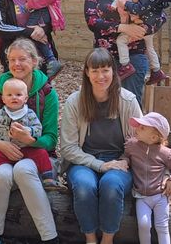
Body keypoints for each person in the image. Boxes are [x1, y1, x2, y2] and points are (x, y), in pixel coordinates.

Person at [59, 47, 142, 244]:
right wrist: (100, 165)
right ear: (87, 72)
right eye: (94, 70)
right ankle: (90, 239)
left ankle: (107, 239)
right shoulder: (75, 101)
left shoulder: (128, 101)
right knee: (84, 187)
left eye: (105, 70)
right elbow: (68, 148)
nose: (100, 76)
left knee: (111, 185)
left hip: (120, 161)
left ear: (113, 71)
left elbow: (140, 141)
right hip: (83, 160)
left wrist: (123, 160)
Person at [0, 38, 60, 244]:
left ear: (35, 62)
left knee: (23, 170)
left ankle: (50, 236)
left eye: (23, 59)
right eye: (12, 60)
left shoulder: (47, 93)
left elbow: (51, 140)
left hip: (38, 157)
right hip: (3, 155)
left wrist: (30, 139)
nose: (17, 64)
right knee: (1, 174)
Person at [84, 0, 159, 104]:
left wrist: (143, 29)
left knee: (130, 106)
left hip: (134, 56)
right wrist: (123, 27)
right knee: (103, 106)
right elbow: (92, 21)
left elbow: (159, 15)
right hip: (103, 59)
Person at [0, 78, 59, 195]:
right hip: (5, 150)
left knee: (41, 153)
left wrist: (28, 132)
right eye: (9, 95)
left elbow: (38, 128)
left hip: (27, 148)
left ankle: (48, 178)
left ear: (25, 98)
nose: (14, 97)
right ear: (3, 99)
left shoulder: (30, 114)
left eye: (18, 95)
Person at [123, 112, 171, 244]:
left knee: (162, 227)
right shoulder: (132, 145)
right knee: (144, 225)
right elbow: (125, 156)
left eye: (142, 128)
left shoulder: (164, 153)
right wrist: (124, 162)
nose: (137, 129)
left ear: (154, 137)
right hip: (141, 197)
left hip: (161, 196)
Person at [121, 0, 171, 85]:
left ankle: (125, 65)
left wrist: (126, 4)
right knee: (150, 47)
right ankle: (156, 70)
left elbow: (140, 9)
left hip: (147, 25)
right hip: (149, 24)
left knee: (121, 40)